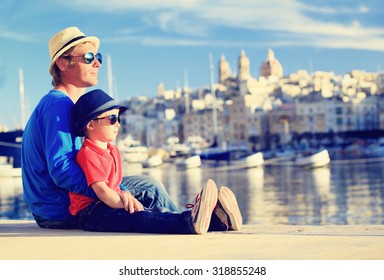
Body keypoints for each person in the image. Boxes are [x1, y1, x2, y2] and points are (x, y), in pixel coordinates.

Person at [21, 26, 177, 230]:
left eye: (98, 57)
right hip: (60, 209)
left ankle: (189, 220)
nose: (97, 63)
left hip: (53, 206)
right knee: (150, 188)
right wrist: (111, 193)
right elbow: (61, 168)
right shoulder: (58, 106)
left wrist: (117, 189)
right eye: (88, 57)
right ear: (62, 63)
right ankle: (188, 223)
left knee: (143, 189)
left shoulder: (61, 104)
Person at [70, 89, 242, 234]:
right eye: (112, 119)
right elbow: (102, 191)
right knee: (139, 218)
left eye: (119, 119)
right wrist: (124, 205)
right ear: (91, 125)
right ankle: (190, 220)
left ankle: (219, 222)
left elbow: (116, 185)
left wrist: (126, 195)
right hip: (91, 213)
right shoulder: (88, 154)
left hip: (110, 203)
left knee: (154, 213)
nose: (118, 125)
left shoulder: (113, 150)